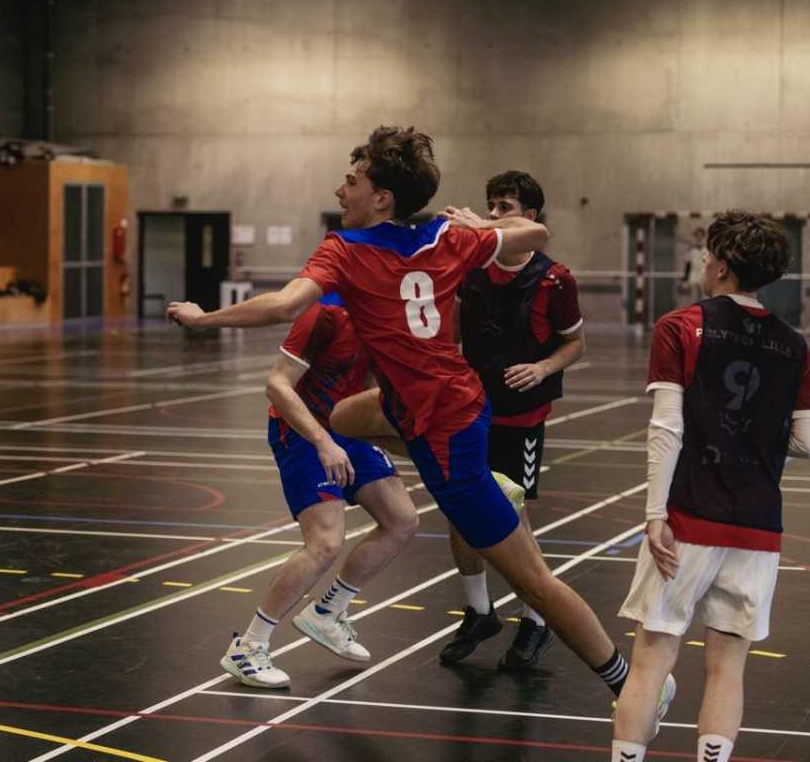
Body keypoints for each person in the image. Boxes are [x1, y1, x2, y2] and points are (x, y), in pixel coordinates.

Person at [169, 126, 669, 724]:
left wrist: (203, 320)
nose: (340, 187)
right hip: (425, 404)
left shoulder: (346, 250)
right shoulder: (446, 236)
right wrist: (485, 229)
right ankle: (337, 585)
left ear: (382, 197)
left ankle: (632, 680)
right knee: (333, 420)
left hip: (449, 433)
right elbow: (536, 234)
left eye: (352, 180)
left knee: (534, 583)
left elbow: (280, 305)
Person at [610, 211, 810, 762]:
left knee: (652, 658)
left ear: (722, 265)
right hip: (758, 527)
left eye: (708, 256)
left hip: (687, 516)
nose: (704, 263)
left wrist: (655, 512)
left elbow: (667, 428)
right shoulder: (795, 346)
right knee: (728, 666)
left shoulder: (680, 326)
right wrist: (756, 440)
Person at [220, 293, 417, 687]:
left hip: (348, 428)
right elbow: (277, 385)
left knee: (402, 519)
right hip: (301, 430)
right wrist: (324, 442)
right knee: (325, 541)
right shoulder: (326, 314)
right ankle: (248, 646)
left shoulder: (392, 315)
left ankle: (327, 613)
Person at [438, 170, 587, 669]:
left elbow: (574, 343)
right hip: (469, 410)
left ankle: (536, 618)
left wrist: (543, 366)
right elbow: (453, 331)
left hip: (521, 417)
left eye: (506, 207)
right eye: (491, 206)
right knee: (460, 512)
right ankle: (479, 610)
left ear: (532, 217)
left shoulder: (554, 279)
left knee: (512, 519)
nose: (497, 215)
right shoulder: (473, 269)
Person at [678, 227, 707, 305]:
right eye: (697, 236)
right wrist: (685, 279)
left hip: (703, 276)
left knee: (703, 298)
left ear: (704, 237)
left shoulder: (706, 250)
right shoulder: (691, 251)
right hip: (693, 276)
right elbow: (687, 265)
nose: (699, 238)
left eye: (701, 236)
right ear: (695, 237)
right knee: (692, 299)